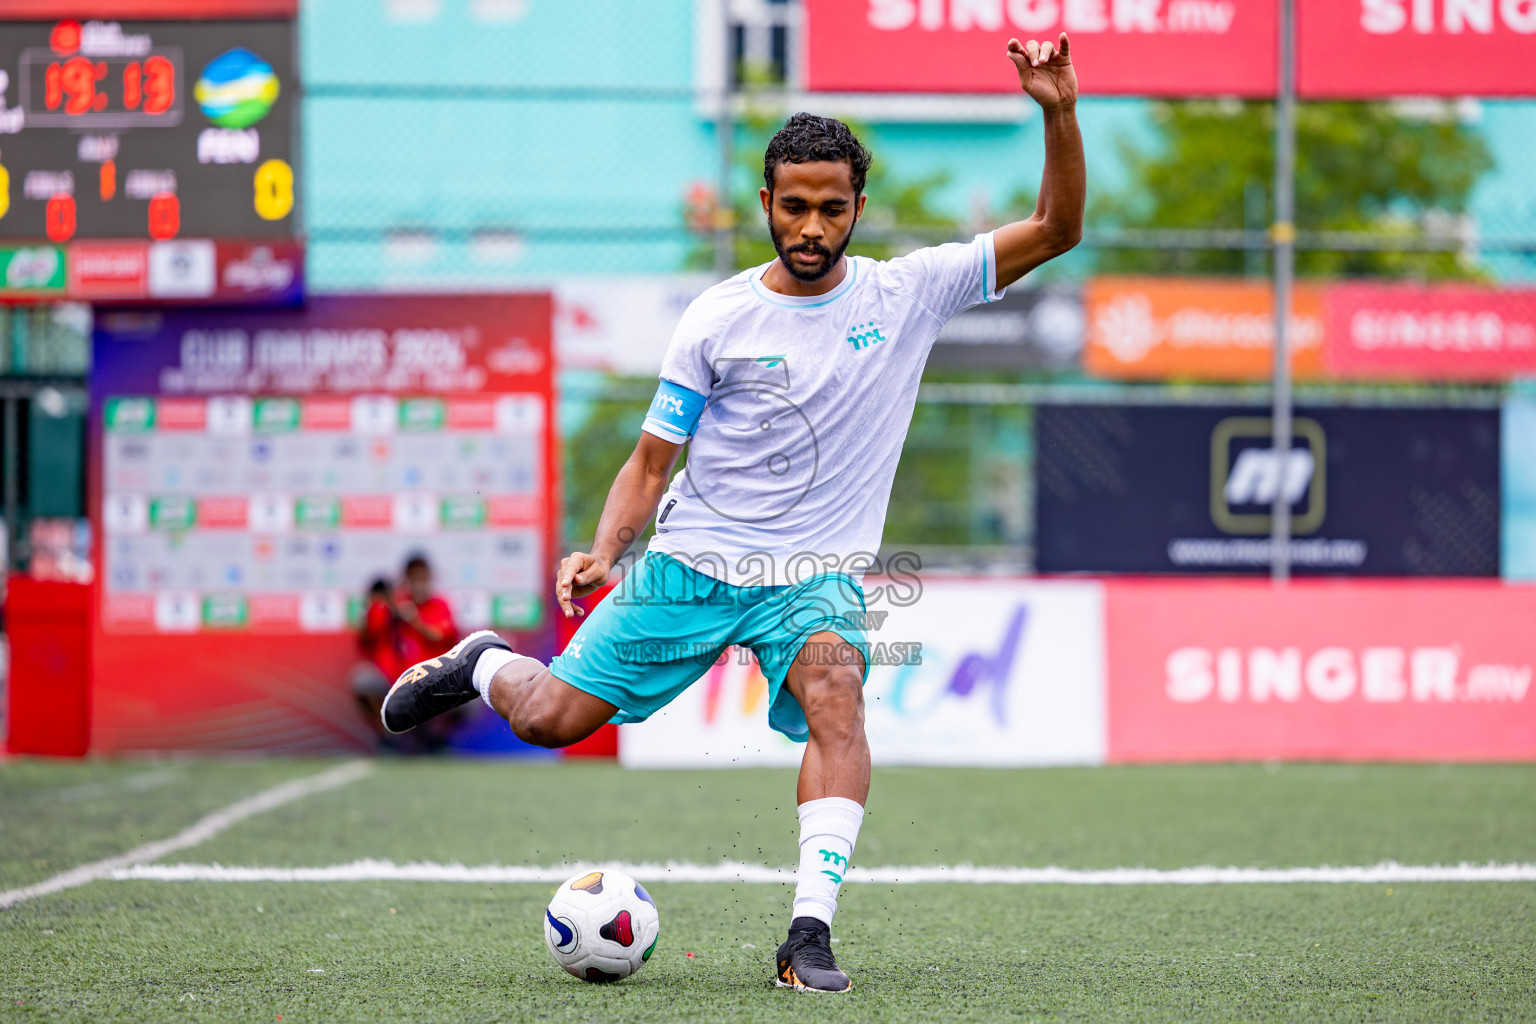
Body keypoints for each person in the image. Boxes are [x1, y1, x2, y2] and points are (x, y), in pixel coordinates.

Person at [382, 34, 1083, 992]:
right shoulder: (716, 318)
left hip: (815, 579)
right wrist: (604, 549)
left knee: (840, 698)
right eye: (794, 206)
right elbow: (650, 457)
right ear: (765, 203)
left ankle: (808, 937)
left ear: (857, 210)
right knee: (549, 719)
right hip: (695, 562)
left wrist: (1056, 109)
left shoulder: (906, 292)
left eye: (832, 208)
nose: (811, 225)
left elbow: (1055, 227)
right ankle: (483, 660)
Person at [353, 556, 460, 751]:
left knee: (469, 694)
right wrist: (374, 603)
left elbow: (441, 636)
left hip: (432, 679)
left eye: (423, 578)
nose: (419, 584)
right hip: (393, 679)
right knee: (362, 680)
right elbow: (366, 639)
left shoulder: (440, 605)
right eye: (414, 578)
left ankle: (435, 739)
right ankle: (389, 737)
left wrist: (414, 619)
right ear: (406, 580)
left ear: (430, 579)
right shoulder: (393, 604)